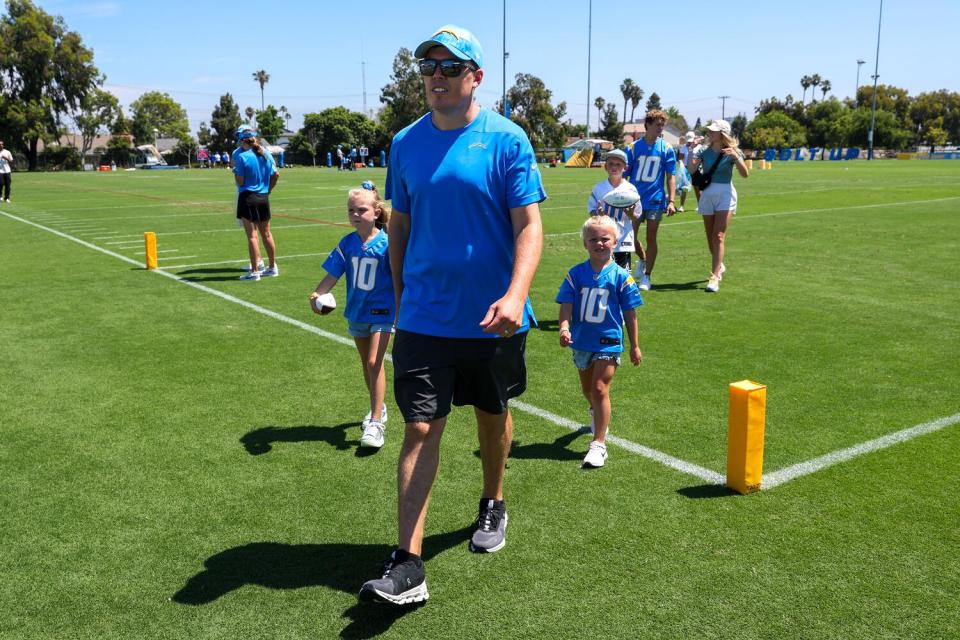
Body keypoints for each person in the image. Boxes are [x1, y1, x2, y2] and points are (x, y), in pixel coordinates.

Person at [359, 24, 545, 606]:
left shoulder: (508, 140)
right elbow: (402, 226)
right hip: (423, 317)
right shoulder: (405, 144)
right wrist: (398, 294)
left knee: (492, 414)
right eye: (427, 68)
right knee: (419, 426)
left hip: (494, 317)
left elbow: (529, 226)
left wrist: (516, 294)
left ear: (476, 77)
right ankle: (407, 564)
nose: (435, 77)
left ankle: (493, 500)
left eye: (449, 67)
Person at [309, 181, 395, 449]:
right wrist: (317, 294)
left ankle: (376, 423)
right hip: (357, 312)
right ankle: (378, 406)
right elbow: (333, 274)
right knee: (366, 365)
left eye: (361, 210)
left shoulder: (388, 243)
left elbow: (401, 278)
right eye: (351, 211)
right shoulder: (347, 244)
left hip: (383, 312)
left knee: (374, 362)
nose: (355, 215)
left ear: (376, 212)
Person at [557, 216, 643, 468]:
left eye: (605, 238)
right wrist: (564, 326)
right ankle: (596, 412)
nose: (599, 243)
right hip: (582, 341)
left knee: (599, 388)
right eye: (593, 239)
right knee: (588, 391)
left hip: (608, 341)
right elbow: (566, 303)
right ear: (585, 243)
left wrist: (635, 345)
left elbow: (630, 312)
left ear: (615, 242)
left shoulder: (621, 277)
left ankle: (598, 444)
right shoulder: (575, 274)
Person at [689, 119, 749, 293]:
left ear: (722, 133)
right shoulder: (704, 151)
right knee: (710, 237)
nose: (710, 133)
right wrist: (692, 151)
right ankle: (719, 265)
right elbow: (692, 171)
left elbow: (745, 174)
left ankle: (714, 277)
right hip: (707, 195)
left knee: (719, 235)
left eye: (713, 130)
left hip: (725, 194)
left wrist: (736, 157)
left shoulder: (733, 151)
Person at [625, 109, 678, 291]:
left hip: (655, 200)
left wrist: (671, 200)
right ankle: (643, 258)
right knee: (629, 237)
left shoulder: (667, 148)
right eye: (657, 125)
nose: (660, 128)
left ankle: (647, 276)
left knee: (651, 237)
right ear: (647, 125)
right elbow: (625, 173)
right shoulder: (633, 148)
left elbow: (671, 175)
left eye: (662, 125)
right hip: (634, 200)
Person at [233, 126, 280, 281]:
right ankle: (272, 267)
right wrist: (268, 190)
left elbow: (240, 181)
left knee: (252, 236)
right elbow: (275, 175)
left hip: (248, 197)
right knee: (266, 234)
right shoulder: (265, 154)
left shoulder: (242, 157)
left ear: (242, 140)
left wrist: (236, 175)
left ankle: (254, 272)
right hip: (263, 197)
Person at [586, 149, 640, 271]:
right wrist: (598, 215)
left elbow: (637, 216)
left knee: (623, 279)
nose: (614, 167)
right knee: (603, 276)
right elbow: (591, 210)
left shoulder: (631, 190)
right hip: (603, 241)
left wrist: (631, 214)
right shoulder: (598, 188)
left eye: (618, 164)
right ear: (605, 167)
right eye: (610, 163)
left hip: (623, 241)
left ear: (625, 167)